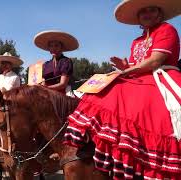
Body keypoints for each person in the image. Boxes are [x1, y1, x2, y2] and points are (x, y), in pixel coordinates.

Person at [64, 0, 181, 179]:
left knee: (127, 98)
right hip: (140, 78)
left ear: (159, 13)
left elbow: (155, 61)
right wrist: (126, 66)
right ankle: (103, 148)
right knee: (103, 92)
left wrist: (126, 70)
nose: (147, 14)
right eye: (143, 11)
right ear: (138, 18)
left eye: (151, 10)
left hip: (162, 76)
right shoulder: (137, 40)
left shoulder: (167, 29)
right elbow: (138, 64)